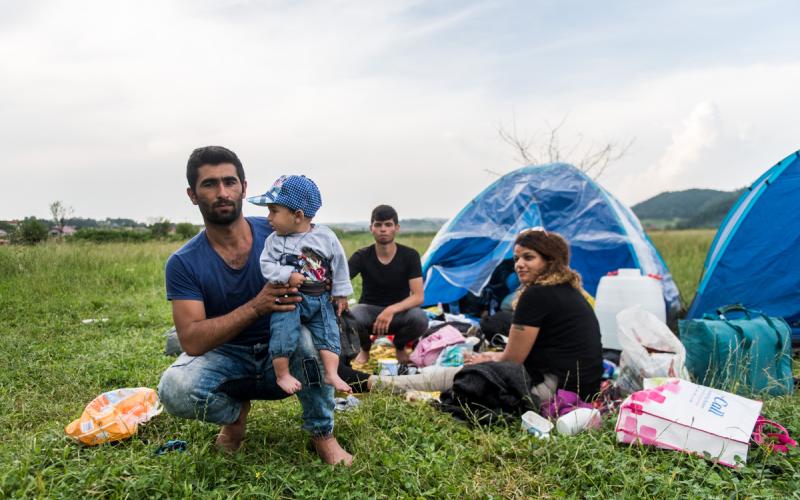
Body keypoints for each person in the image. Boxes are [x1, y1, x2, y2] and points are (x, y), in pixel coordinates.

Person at [156, 146, 351, 465]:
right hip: (228, 355)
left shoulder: (281, 230)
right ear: (192, 194)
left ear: (244, 188)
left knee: (311, 341)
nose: (222, 192)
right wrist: (257, 306)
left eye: (229, 182)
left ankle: (323, 434)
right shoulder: (183, 262)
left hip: (287, 346)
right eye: (209, 184)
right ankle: (234, 418)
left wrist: (327, 287)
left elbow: (324, 262)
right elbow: (191, 340)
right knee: (174, 389)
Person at [370, 228, 603, 402]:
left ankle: (380, 384)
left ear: (550, 262)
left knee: (472, 375)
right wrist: (494, 357)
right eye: (517, 259)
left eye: (529, 257)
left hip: (556, 392)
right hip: (583, 389)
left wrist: (488, 359)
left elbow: (513, 361)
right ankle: (386, 384)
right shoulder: (568, 291)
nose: (519, 265)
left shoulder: (538, 295)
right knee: (476, 368)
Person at [248, 174, 353, 394]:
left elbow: (339, 264)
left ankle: (331, 373)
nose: (268, 217)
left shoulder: (325, 237)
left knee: (329, 332)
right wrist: (287, 275)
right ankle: (282, 373)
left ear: (298, 215)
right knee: (283, 331)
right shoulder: (273, 241)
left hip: (321, 298)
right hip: (290, 299)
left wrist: (340, 293)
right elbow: (266, 265)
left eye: (274, 211)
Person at [348, 205, 427, 364]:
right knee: (352, 316)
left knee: (420, 318)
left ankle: (400, 347)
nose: (383, 229)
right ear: (372, 228)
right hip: (369, 311)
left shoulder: (410, 255)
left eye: (388, 224)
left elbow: (418, 297)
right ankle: (365, 349)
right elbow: (340, 282)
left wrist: (391, 310)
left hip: (399, 315)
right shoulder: (361, 256)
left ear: (396, 228)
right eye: (378, 225)